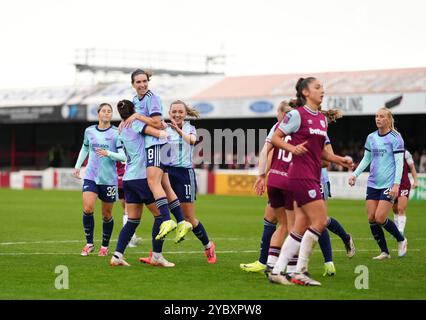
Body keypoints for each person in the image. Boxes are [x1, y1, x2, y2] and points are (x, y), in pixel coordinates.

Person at [269, 77, 353, 286]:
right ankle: (300, 271)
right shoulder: (296, 115)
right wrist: (292, 149)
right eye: (317, 87)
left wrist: (338, 159)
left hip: (313, 176)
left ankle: (278, 271)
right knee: (321, 220)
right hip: (300, 176)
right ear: (305, 92)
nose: (322, 91)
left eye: (323, 87)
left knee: (300, 225)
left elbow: (322, 152)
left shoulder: (322, 120)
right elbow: (276, 138)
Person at [140, 100, 216, 264]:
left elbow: (192, 141)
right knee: (160, 215)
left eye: (180, 112)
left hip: (184, 174)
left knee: (189, 218)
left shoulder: (190, 128)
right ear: (169, 112)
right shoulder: (163, 127)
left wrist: (177, 130)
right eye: (174, 111)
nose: (177, 114)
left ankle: (208, 245)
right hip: (166, 172)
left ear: (185, 113)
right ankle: (156, 254)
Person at [122, 69, 192, 242]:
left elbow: (155, 120)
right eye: (138, 82)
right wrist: (125, 121)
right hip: (162, 144)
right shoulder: (134, 100)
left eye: (144, 81)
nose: (142, 84)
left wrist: (138, 117)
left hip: (157, 145)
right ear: (133, 84)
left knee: (153, 182)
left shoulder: (152, 98)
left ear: (148, 81)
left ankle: (168, 220)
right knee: (166, 186)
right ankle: (182, 222)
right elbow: (144, 122)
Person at [110, 99, 175, 267]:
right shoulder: (136, 124)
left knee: (132, 220)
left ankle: (117, 256)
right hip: (141, 178)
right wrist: (166, 129)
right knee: (160, 216)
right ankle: (157, 256)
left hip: (128, 179)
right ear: (134, 111)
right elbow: (160, 133)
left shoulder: (122, 128)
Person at [240, 101, 294, 275]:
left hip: (280, 180)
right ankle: (268, 263)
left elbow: (266, 152)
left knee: (296, 225)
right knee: (279, 221)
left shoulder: (278, 127)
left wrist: (261, 175)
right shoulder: (303, 127)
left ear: (281, 113)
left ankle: (284, 267)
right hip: (293, 180)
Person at [349, 107, 408, 260]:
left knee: (380, 218)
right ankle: (385, 252)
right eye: (376, 116)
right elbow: (366, 159)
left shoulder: (396, 137)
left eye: (381, 116)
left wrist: (396, 184)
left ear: (388, 119)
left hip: (389, 184)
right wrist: (355, 174)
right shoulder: (371, 137)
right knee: (371, 218)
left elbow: (399, 163)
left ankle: (401, 240)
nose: (378, 119)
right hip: (373, 183)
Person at [73, 103, 126, 257]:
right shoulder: (89, 131)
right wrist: (77, 166)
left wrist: (108, 153)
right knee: (88, 208)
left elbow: (123, 157)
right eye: (104, 111)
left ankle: (104, 246)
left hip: (109, 178)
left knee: (106, 215)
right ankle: (89, 244)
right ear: (98, 114)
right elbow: (85, 148)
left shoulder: (117, 133)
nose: (107, 113)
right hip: (91, 175)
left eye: (109, 111)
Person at [393, 150, 419, 235]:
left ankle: (400, 231)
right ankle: (397, 230)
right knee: (395, 208)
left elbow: (412, 167)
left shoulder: (405, 153)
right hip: (392, 185)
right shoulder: (388, 152)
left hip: (404, 184)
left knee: (401, 208)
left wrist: (415, 181)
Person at [117, 161, 142, 247]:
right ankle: (130, 239)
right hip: (129, 178)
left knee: (126, 210)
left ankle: (132, 237)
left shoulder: (119, 148)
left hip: (119, 180)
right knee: (130, 211)